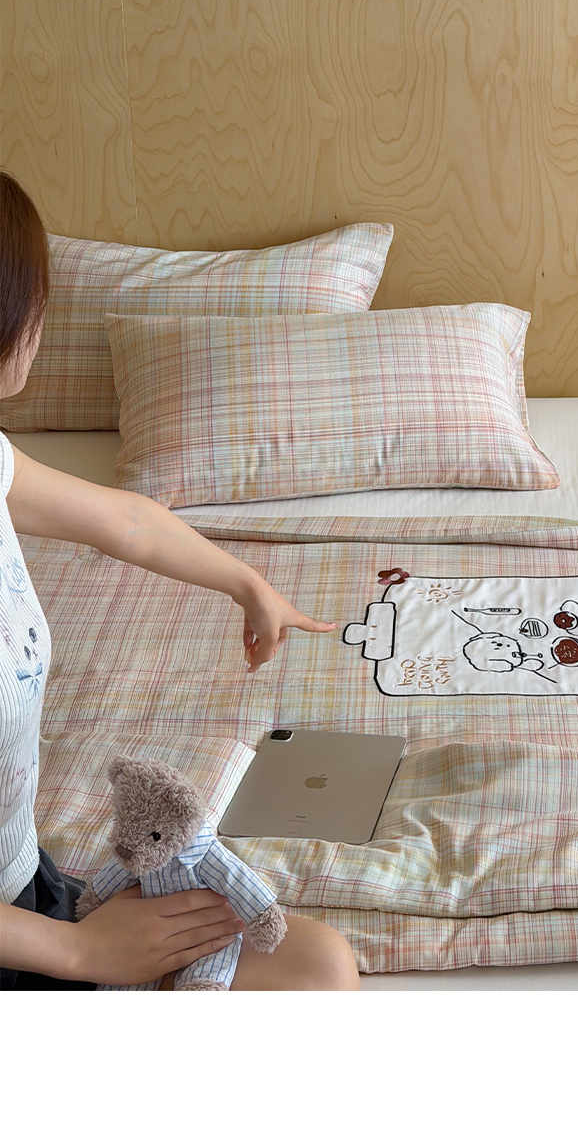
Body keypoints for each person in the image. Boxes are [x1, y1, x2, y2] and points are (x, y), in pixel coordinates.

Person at [0, 171, 360, 990]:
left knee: (319, 965)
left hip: (23, 893)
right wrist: (82, 951)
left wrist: (248, 584)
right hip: (31, 941)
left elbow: (125, 520)